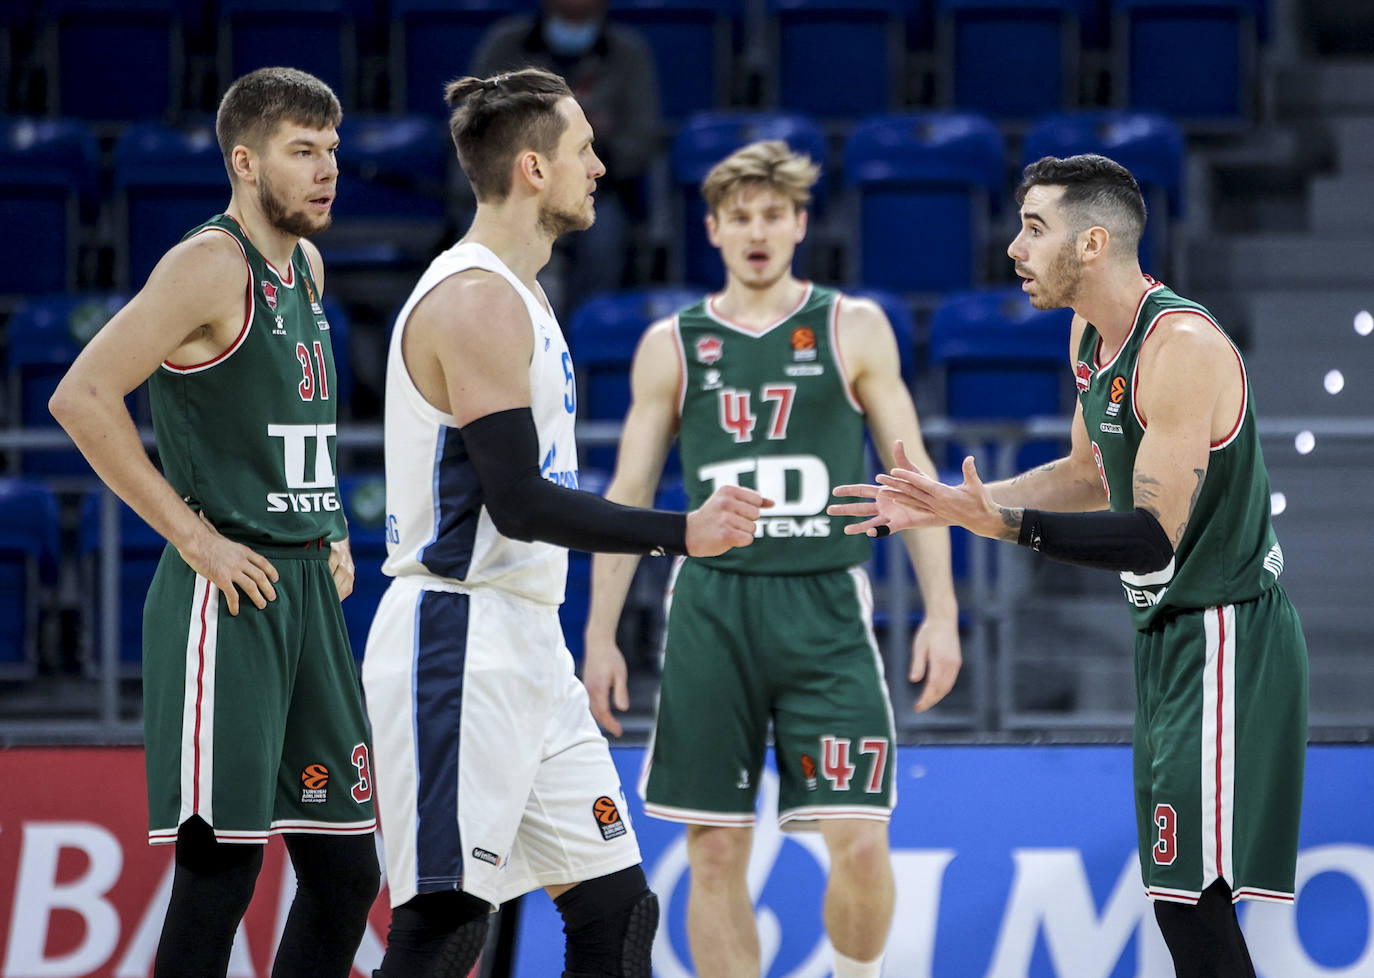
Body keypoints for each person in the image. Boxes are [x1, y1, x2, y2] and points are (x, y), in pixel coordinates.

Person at [831, 153, 1308, 978]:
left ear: (1092, 244)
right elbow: (1091, 474)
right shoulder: (1089, 333)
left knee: (1192, 904)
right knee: (1177, 898)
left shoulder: (1181, 346)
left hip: (1227, 634)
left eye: (1034, 227)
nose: (1013, 247)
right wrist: (956, 503)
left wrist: (1008, 525)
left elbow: (1151, 535)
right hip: (1168, 637)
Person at [360, 68, 766, 978]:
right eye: (584, 149)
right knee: (445, 924)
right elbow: (519, 502)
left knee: (617, 910)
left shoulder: (526, 292)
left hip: (524, 639)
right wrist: (680, 532)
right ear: (533, 169)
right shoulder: (474, 299)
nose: (600, 166)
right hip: (456, 636)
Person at [581, 140, 962, 978]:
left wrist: (942, 610)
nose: (756, 231)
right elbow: (629, 496)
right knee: (714, 853)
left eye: (773, 215)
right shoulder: (670, 344)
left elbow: (913, 477)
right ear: (712, 229)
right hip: (712, 606)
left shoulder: (851, 325)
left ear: (799, 224)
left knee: (861, 844)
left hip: (824, 602)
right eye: (739, 217)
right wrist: (600, 635)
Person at [49, 67, 380, 978]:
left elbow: (292, 421)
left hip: (308, 581)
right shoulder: (209, 262)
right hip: (226, 593)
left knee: (348, 870)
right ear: (244, 160)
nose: (327, 171)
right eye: (302, 152)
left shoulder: (306, 265)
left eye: (333, 152)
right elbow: (80, 396)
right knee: (222, 867)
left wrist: (333, 524)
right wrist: (191, 536)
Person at [470, 0, 660, 315]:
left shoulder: (628, 52)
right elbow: (476, 126)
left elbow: (640, 143)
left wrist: (593, 144)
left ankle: (584, 343)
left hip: (597, 187)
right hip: (514, 186)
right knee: (494, 231)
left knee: (603, 237)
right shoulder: (505, 45)